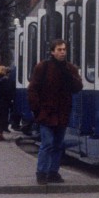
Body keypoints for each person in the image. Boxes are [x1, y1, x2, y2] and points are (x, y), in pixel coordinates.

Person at [26, 39, 83, 185]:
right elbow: (33, 89)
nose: (62, 52)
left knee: (58, 144)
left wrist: (69, 75)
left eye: (64, 49)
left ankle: (53, 172)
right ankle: (42, 172)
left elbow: (77, 87)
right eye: (59, 49)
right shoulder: (43, 67)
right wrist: (36, 109)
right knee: (48, 143)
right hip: (46, 112)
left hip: (62, 112)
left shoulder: (70, 69)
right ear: (52, 52)